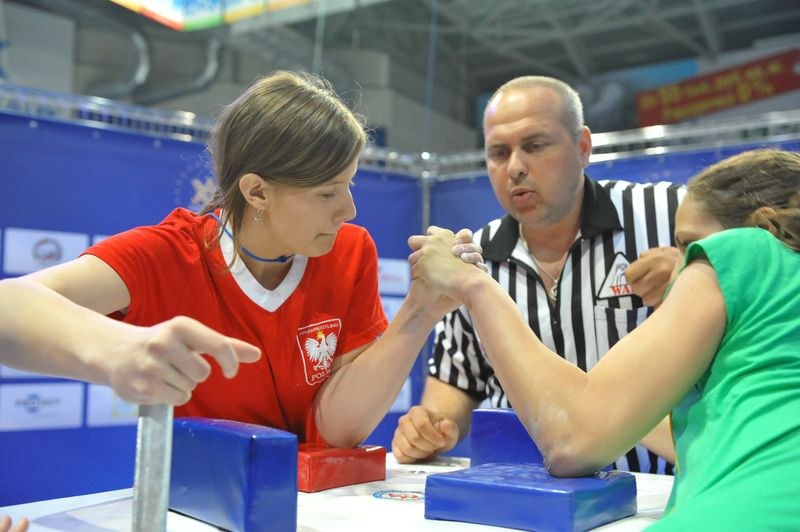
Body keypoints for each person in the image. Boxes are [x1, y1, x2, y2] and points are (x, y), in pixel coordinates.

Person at [0, 70, 480, 448]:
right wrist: (114, 350)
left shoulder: (350, 251)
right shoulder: (168, 253)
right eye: (328, 192)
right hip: (199, 503)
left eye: (350, 185)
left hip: (313, 505)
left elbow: (337, 430)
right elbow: (9, 305)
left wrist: (420, 310)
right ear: (257, 192)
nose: (349, 210)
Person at [408, 148, 800, 528]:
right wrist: (624, 400)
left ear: (764, 227)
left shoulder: (746, 250)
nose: (682, 262)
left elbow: (573, 443)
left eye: (689, 245)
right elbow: (718, 436)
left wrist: (473, 285)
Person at [392, 75, 683, 472]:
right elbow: (453, 388)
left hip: (657, 493)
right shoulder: (471, 259)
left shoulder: (669, 216)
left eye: (535, 146)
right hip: (523, 492)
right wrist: (429, 428)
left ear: (583, 147)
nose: (515, 167)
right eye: (498, 152)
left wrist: (698, 265)